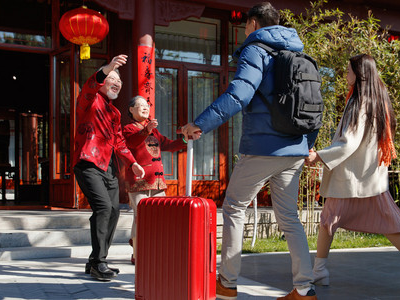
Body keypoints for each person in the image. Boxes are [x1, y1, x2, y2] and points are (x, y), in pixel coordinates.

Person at [181, 2, 318, 299]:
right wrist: (308, 144)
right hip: (295, 148)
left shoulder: (256, 50)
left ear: (254, 24)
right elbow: (313, 104)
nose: (245, 32)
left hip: (263, 148)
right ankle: (305, 288)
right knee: (289, 217)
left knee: (233, 207)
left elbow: (239, 94)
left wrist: (201, 124)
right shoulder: (299, 54)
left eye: (245, 26)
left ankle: (227, 283)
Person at [305, 54, 400, 292]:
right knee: (338, 222)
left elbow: (349, 142)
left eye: (348, 71)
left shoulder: (360, 102)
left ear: (359, 74)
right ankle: (319, 271)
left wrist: (319, 156)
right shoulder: (376, 99)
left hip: (353, 179)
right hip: (367, 178)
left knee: (330, 221)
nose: (345, 75)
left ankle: (319, 271)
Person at [73, 55, 145, 281]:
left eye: (120, 81)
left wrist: (132, 162)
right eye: (112, 78)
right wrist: (109, 67)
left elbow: (119, 142)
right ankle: (99, 262)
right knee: (103, 208)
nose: (117, 83)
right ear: (103, 80)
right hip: (87, 162)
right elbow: (90, 84)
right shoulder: (88, 100)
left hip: (108, 167)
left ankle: (95, 261)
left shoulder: (114, 113)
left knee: (114, 211)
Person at [123, 95, 187, 265]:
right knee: (141, 217)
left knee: (161, 217)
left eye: (147, 105)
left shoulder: (154, 131)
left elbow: (168, 145)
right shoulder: (128, 128)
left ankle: (154, 250)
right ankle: (137, 254)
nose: (145, 108)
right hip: (138, 183)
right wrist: (146, 130)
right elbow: (132, 143)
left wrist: (186, 139)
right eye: (141, 105)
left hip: (157, 182)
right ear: (131, 109)